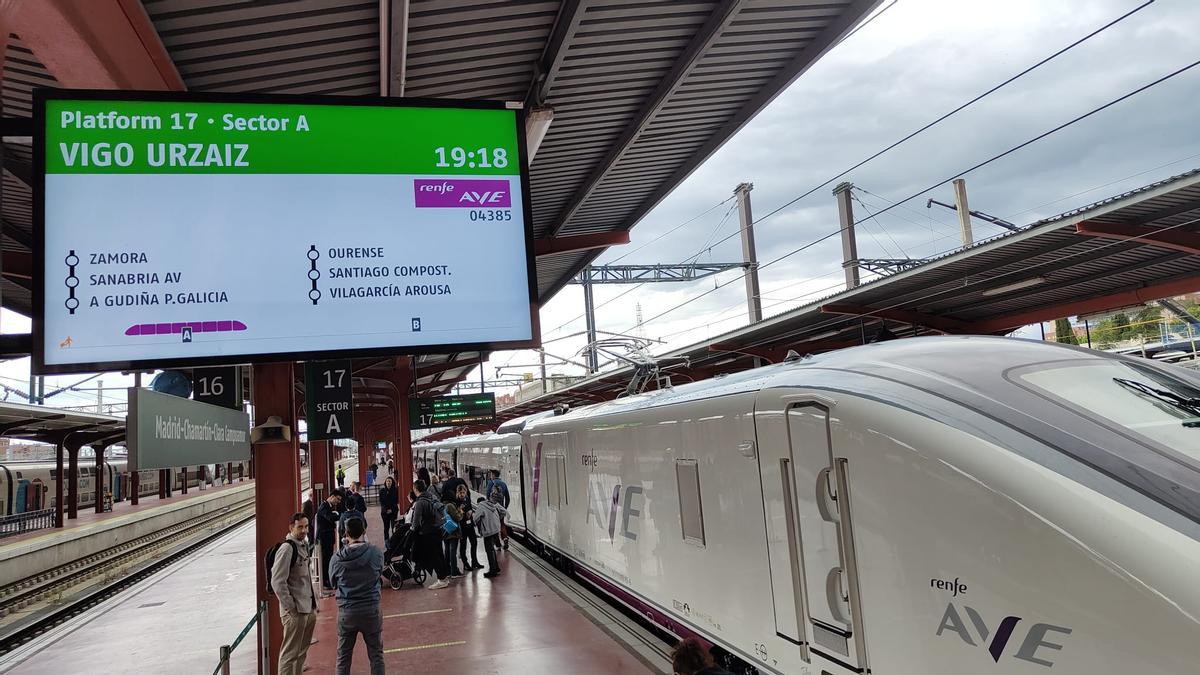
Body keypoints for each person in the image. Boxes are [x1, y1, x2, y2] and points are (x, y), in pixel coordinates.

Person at [329, 516, 385, 675]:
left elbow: (333, 582)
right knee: (376, 654)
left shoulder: (336, 559)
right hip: (371, 610)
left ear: (346, 534)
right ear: (364, 531)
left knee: (343, 657)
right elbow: (379, 573)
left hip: (347, 612)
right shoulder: (375, 553)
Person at [270, 513, 317, 675]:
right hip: (295, 611)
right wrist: (291, 607)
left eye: (306, 526)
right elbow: (277, 582)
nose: (304, 530)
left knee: (301, 652)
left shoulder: (302, 545)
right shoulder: (287, 549)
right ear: (291, 527)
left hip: (308, 607)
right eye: (300, 527)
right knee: (289, 655)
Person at [410, 479, 450, 589]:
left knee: (434, 556)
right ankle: (445, 577)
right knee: (440, 554)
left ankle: (441, 580)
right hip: (438, 530)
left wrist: (412, 529)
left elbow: (416, 522)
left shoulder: (420, 502)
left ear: (415, 489)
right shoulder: (432, 497)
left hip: (428, 532)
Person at [316, 490, 345, 594]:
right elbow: (329, 517)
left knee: (328, 558)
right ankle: (325, 581)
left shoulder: (328, 507)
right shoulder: (324, 506)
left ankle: (327, 579)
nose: (338, 502)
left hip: (328, 536)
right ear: (332, 496)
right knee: (325, 559)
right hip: (324, 537)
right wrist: (341, 515)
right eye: (338, 499)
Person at [473, 494, 507, 578]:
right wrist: (497, 518)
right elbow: (504, 511)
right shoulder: (493, 504)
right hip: (496, 529)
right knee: (492, 550)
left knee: (489, 551)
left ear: (478, 503)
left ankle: (492, 570)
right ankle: (496, 568)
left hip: (488, 531)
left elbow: (475, 518)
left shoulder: (481, 506)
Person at [456, 484, 482, 571]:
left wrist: (470, 511)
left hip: (470, 525)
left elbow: (470, 508)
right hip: (462, 526)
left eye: (463, 492)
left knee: (474, 542)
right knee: (463, 546)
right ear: (458, 493)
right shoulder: (456, 502)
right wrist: (460, 509)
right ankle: (466, 563)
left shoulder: (467, 499)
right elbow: (457, 515)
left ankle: (474, 561)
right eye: (460, 493)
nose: (462, 494)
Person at [485, 469, 511, 549]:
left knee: (494, 526)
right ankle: (505, 538)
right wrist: (504, 507)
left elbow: (487, 496)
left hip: (492, 509)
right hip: (501, 508)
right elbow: (508, 498)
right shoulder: (503, 484)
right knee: (502, 524)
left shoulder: (490, 483)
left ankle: (498, 544)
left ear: (493, 475)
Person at [442, 493, 464, 578]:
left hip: (445, 531)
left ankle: (448, 572)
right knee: (452, 552)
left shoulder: (441, 505)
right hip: (453, 531)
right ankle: (454, 572)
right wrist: (461, 511)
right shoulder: (450, 506)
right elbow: (458, 517)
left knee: (447, 552)